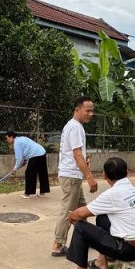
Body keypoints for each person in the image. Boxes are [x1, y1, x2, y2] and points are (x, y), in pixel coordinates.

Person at [55, 157, 135, 269]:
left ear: (104, 175)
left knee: (81, 227)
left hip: (128, 250)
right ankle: (101, 262)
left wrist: (71, 216)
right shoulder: (131, 188)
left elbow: (80, 214)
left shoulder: (112, 194)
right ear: (126, 173)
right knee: (102, 217)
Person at [51, 96, 98, 257]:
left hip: (72, 175)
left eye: (92, 111)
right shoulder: (76, 127)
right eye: (88, 110)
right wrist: (90, 177)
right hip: (71, 176)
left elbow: (77, 154)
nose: (91, 114)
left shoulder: (73, 126)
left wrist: (84, 163)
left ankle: (86, 237)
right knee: (68, 211)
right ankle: (58, 244)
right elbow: (77, 154)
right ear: (77, 110)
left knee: (81, 209)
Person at [5, 130, 49, 199]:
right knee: (42, 173)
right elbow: (26, 151)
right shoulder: (22, 138)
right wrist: (24, 162)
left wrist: (15, 169)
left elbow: (19, 158)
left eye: (7, 138)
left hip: (35, 154)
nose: (7, 140)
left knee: (29, 173)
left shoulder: (16, 143)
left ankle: (27, 194)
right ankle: (42, 193)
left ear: (11, 137)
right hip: (42, 152)